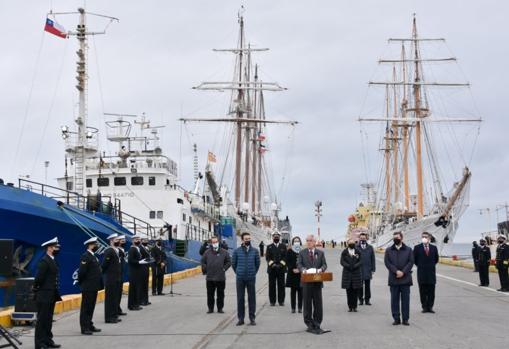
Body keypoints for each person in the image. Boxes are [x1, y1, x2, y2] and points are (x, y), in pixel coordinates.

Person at [33, 237, 62, 349]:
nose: (57, 249)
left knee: (48, 319)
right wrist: (37, 289)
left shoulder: (53, 259)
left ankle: (48, 340)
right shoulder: (44, 261)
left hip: (51, 294)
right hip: (44, 294)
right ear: (49, 248)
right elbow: (39, 278)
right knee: (42, 320)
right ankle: (39, 344)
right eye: (55, 247)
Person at [297, 234, 328, 335]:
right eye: (307, 240)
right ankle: (309, 324)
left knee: (318, 304)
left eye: (310, 240)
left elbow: (324, 265)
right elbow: (299, 264)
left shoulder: (320, 253)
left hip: (317, 282)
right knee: (307, 304)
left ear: (314, 242)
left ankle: (317, 322)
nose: (308, 242)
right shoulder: (302, 253)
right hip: (306, 282)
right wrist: (303, 270)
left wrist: (321, 269)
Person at [384, 231, 414, 326]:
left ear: (401, 238)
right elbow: (387, 263)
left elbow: (411, 262)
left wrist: (403, 272)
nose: (395, 239)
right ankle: (396, 318)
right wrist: (396, 271)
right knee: (394, 300)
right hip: (394, 278)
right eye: (394, 237)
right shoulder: (388, 250)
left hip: (405, 279)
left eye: (397, 237)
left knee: (406, 301)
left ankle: (405, 319)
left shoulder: (408, 250)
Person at [232, 232, 260, 326]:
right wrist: (239, 272)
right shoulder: (237, 251)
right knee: (240, 299)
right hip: (240, 278)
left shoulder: (255, 251)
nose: (248, 240)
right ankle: (241, 319)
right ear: (242, 240)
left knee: (252, 298)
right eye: (246, 239)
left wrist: (253, 272)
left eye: (249, 239)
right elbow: (233, 264)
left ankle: (252, 318)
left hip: (251, 278)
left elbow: (257, 264)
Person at [78, 237, 103, 335]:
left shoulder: (93, 256)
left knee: (91, 306)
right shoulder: (86, 256)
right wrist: (83, 284)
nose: (96, 246)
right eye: (95, 245)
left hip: (93, 286)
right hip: (88, 286)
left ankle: (89, 324)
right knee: (86, 307)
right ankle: (84, 327)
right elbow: (82, 272)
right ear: (90, 245)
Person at [201, 236, 231, 313]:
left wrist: (224, 268)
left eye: (216, 242)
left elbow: (229, 262)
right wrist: (206, 269)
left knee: (220, 294)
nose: (215, 243)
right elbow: (203, 262)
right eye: (213, 242)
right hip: (210, 278)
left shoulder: (224, 252)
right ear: (211, 243)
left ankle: (220, 308)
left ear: (218, 242)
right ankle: (210, 308)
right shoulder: (207, 252)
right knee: (210, 294)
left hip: (220, 277)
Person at [413, 232, 439, 313]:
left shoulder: (434, 248)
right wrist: (421, 266)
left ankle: (430, 307)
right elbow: (415, 260)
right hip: (421, 273)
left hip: (431, 273)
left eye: (426, 237)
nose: (424, 238)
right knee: (423, 291)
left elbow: (436, 259)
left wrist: (430, 266)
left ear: (429, 238)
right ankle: (424, 307)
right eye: (423, 237)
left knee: (431, 291)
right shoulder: (417, 248)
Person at [102, 233, 122, 323]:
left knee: (114, 297)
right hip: (110, 278)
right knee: (110, 298)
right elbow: (104, 265)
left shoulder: (116, 250)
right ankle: (108, 317)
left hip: (116, 277)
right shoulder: (109, 251)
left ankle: (114, 315)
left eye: (118, 240)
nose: (118, 241)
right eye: (116, 240)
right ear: (111, 241)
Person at [128, 234, 149, 310]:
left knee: (136, 289)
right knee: (133, 290)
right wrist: (139, 262)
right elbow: (130, 260)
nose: (138, 241)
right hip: (134, 272)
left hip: (137, 272)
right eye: (136, 240)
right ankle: (132, 305)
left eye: (139, 239)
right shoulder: (132, 249)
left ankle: (136, 304)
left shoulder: (137, 249)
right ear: (133, 241)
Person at [266, 231, 287, 306]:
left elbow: (285, 257)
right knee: (272, 286)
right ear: (272, 237)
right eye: (275, 237)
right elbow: (267, 258)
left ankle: (281, 301)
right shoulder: (269, 247)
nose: (276, 238)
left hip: (281, 269)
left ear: (279, 237)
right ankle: (272, 301)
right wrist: (273, 265)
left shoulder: (283, 246)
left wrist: (281, 264)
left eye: (277, 237)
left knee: (281, 285)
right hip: (272, 269)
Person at [341, 239, 362, 312]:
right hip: (347, 273)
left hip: (356, 273)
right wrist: (348, 266)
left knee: (355, 291)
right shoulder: (344, 252)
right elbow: (342, 261)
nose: (352, 244)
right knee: (348, 291)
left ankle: (355, 306)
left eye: (353, 243)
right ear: (347, 244)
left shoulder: (358, 251)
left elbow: (361, 261)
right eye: (350, 243)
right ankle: (350, 306)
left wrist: (355, 266)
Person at [286, 236, 303, 313]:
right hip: (292, 273)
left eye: (298, 241)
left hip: (301, 274)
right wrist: (292, 268)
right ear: (293, 242)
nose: (297, 242)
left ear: (300, 242)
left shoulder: (303, 251)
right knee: (293, 291)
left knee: (301, 291)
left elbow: (305, 262)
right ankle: (293, 308)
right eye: (295, 241)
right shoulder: (289, 251)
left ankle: (300, 307)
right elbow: (287, 261)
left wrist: (300, 269)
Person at [357, 233, 375, 305]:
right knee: (360, 286)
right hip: (359, 269)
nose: (362, 239)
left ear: (366, 239)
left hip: (368, 269)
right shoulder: (356, 247)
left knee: (367, 286)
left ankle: (367, 300)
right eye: (361, 238)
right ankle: (360, 300)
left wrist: (373, 269)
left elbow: (372, 259)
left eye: (364, 238)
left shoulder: (370, 247)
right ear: (359, 239)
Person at [117, 235, 128, 316]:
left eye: (124, 241)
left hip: (121, 274)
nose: (124, 243)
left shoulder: (122, 250)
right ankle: (116, 309)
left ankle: (118, 308)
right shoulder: (117, 250)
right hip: (117, 274)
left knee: (119, 293)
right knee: (116, 293)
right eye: (122, 241)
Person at [140, 238, 151, 305]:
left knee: (146, 285)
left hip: (146, 268)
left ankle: (146, 300)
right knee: (142, 285)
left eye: (146, 241)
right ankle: (142, 300)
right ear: (141, 241)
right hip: (142, 268)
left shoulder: (147, 248)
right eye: (144, 241)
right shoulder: (140, 248)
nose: (146, 242)